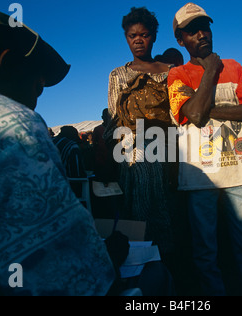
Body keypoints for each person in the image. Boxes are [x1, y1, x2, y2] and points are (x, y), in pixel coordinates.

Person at [0, 7, 116, 295]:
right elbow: (69, 279)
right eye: (39, 88)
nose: (36, 101)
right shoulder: (2, 123)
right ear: (8, 63)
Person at [168, 3, 242, 296]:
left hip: (238, 172)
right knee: (205, 251)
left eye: (204, 27)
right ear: (180, 40)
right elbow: (194, 115)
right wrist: (210, 69)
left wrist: (210, 107)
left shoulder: (234, 67)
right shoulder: (178, 75)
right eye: (191, 31)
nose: (200, 34)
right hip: (200, 178)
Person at [104, 7, 176, 263]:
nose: (138, 40)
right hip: (131, 150)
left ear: (153, 36)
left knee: (170, 202)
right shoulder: (118, 75)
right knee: (140, 203)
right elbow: (114, 118)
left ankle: (166, 259)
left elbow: (177, 112)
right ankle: (147, 258)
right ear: (126, 37)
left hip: (169, 145)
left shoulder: (169, 71)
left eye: (144, 34)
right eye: (132, 35)